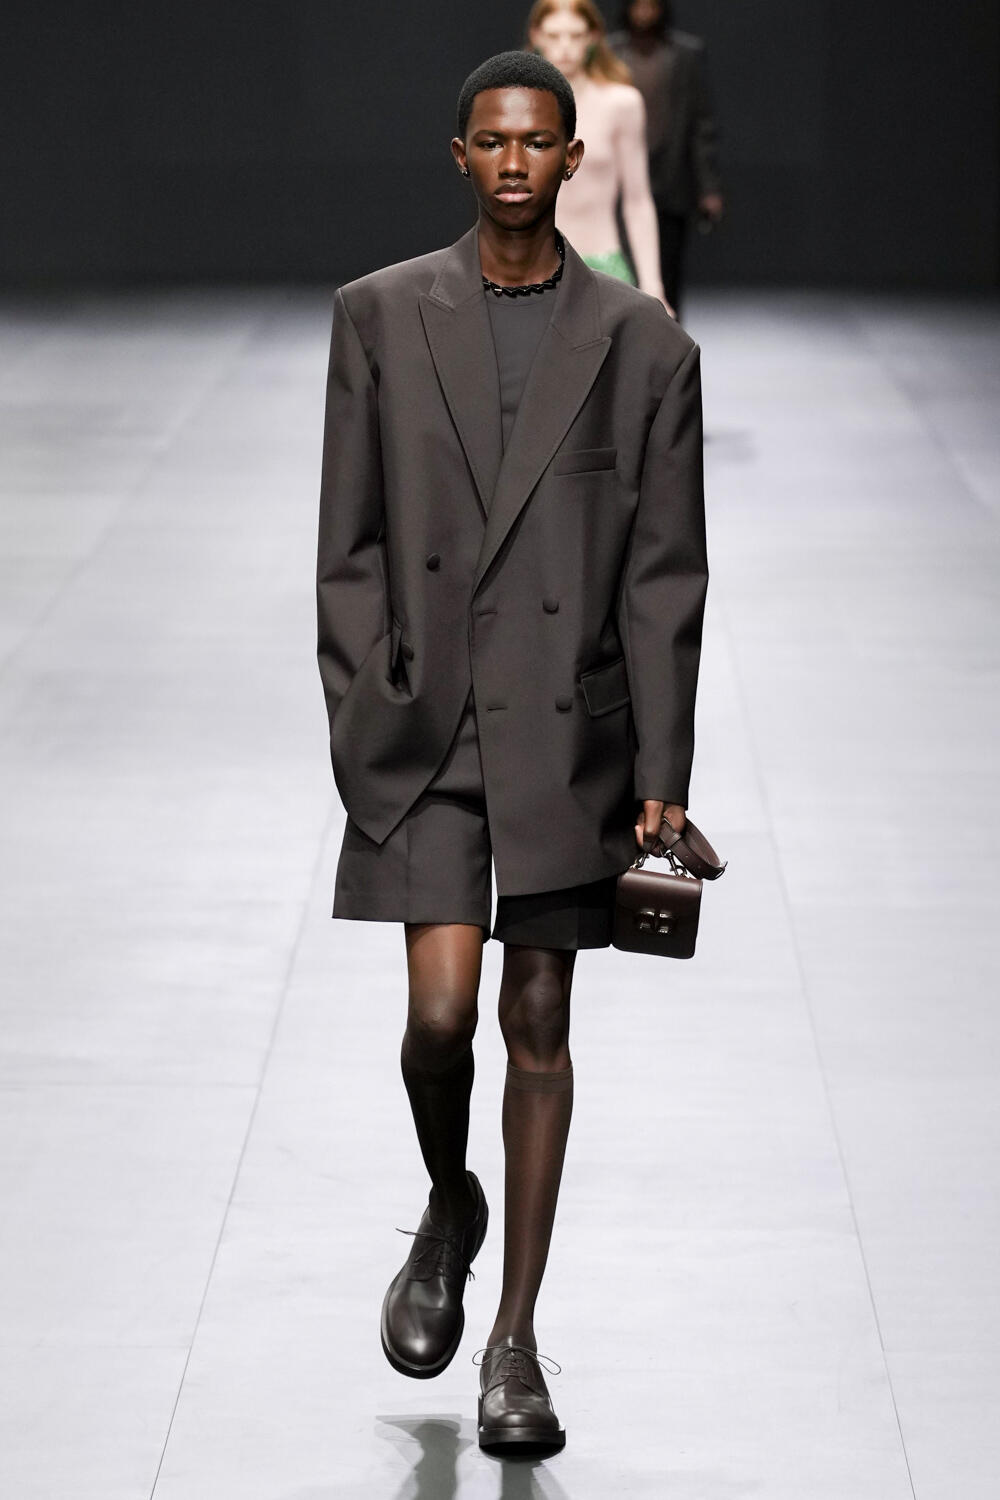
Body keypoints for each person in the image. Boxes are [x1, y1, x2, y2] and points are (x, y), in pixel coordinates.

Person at [316, 49, 708, 1456]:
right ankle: (450, 1199)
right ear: (460, 155)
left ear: (572, 158)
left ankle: (515, 1343)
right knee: (440, 1017)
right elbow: (349, 542)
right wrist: (365, 702)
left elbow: (665, 575)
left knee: (536, 1019)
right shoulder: (379, 315)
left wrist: (660, 770)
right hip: (428, 724)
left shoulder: (645, 347)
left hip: (564, 733)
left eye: (538, 142)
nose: (515, 163)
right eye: (491, 141)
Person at [527, 0, 672, 311]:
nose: (565, 47)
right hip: (530, 268)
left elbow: (637, 199)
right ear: (536, 36)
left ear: (592, 37)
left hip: (603, 266)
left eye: (575, 35)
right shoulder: (515, 105)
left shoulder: (621, 104)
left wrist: (653, 285)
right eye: (554, 36)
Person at [608, 0, 724, 318]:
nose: (644, 12)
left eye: (651, 5)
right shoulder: (610, 52)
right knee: (621, 271)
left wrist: (709, 187)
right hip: (619, 180)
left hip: (672, 178)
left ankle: (667, 340)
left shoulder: (686, 54)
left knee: (668, 270)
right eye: (638, 5)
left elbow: (701, 124)